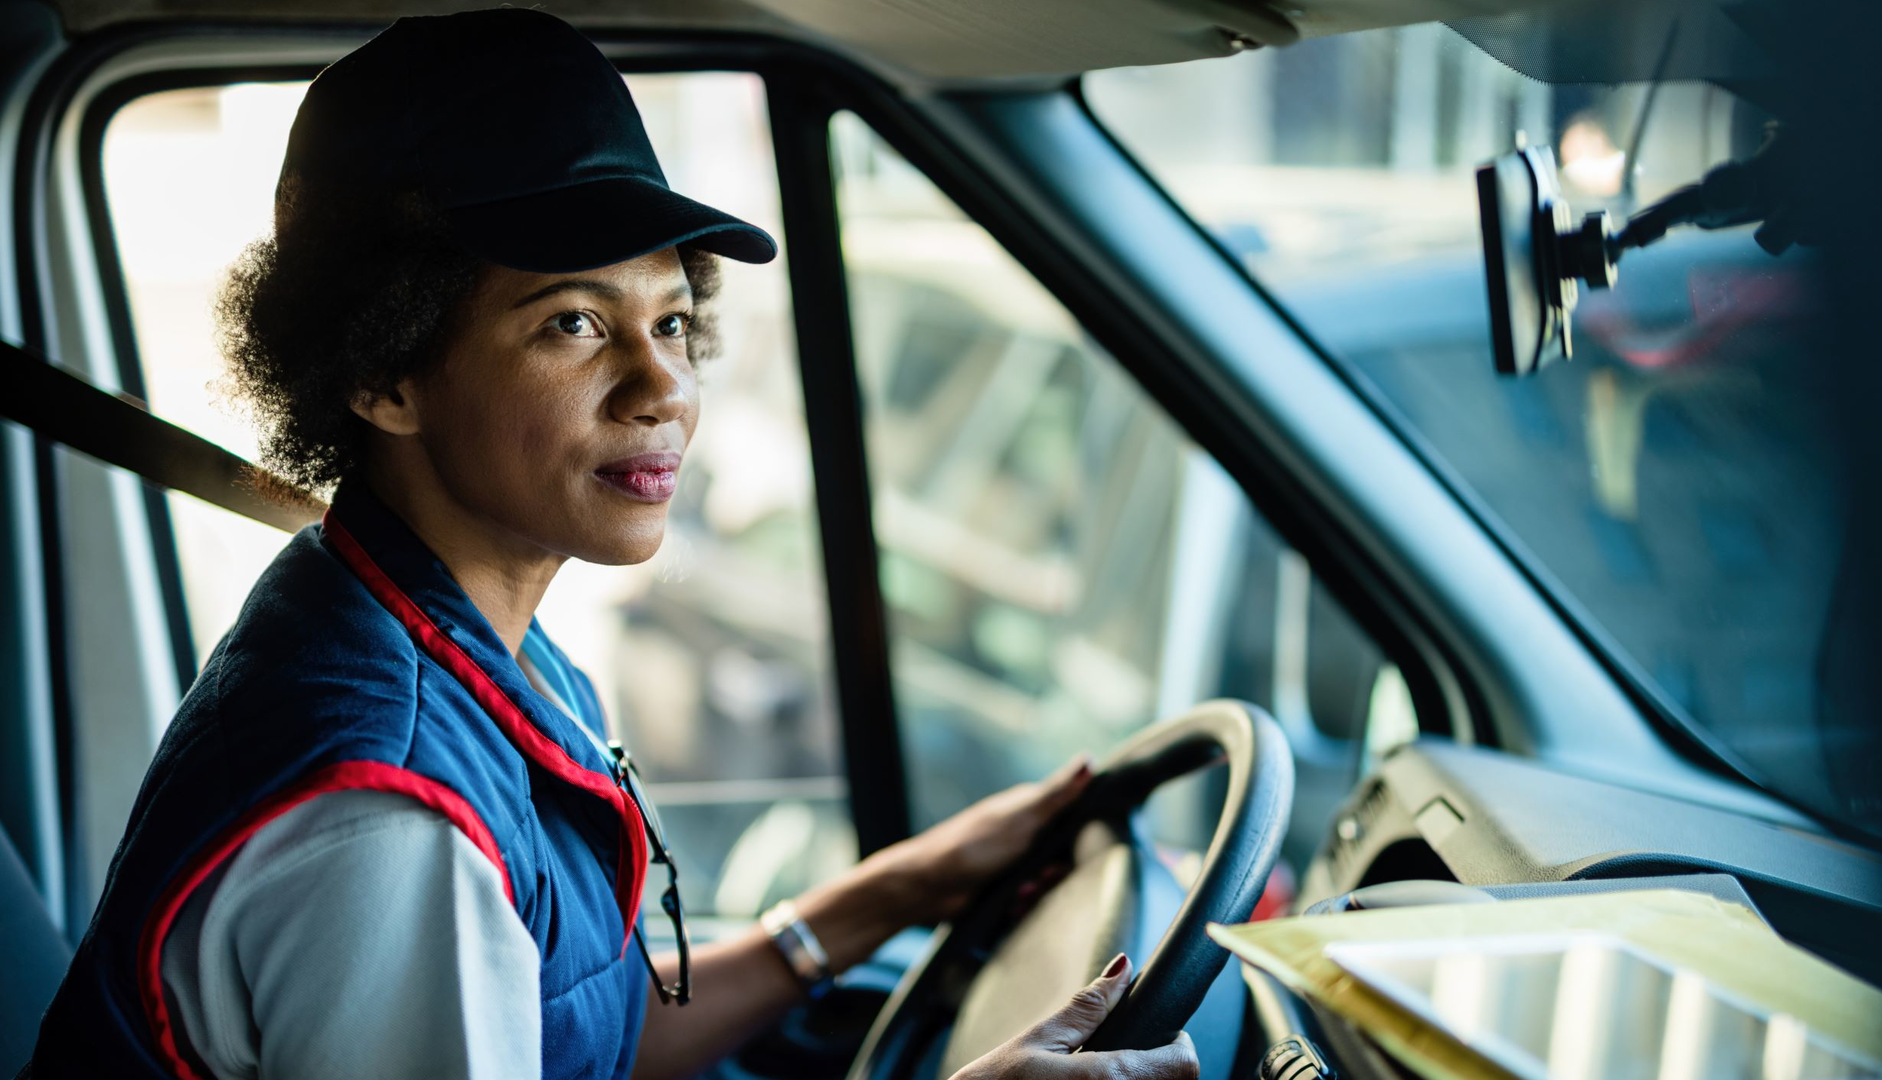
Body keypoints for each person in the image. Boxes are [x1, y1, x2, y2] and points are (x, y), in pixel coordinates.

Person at [24, 9, 1204, 1080]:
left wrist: (900, 888)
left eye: (674, 319)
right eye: (575, 323)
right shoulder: (391, 829)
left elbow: (593, 1029)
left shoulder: (444, 630)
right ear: (382, 373)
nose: (664, 388)